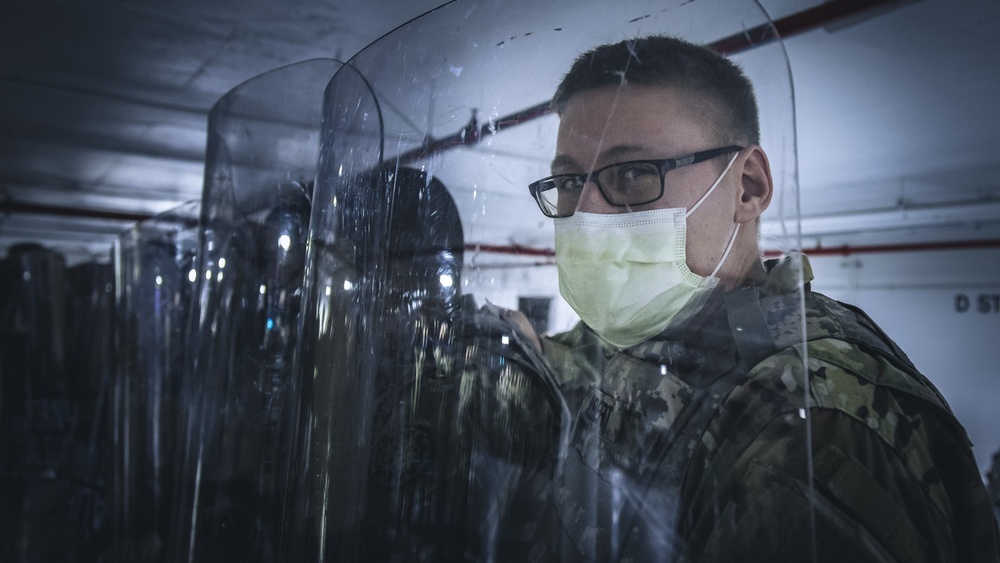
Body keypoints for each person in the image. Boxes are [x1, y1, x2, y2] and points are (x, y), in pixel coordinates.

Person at [516, 35, 1000, 562]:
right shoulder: (670, 337)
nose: (586, 214)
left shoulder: (810, 419)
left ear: (747, 186)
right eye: (567, 181)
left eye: (633, 173)